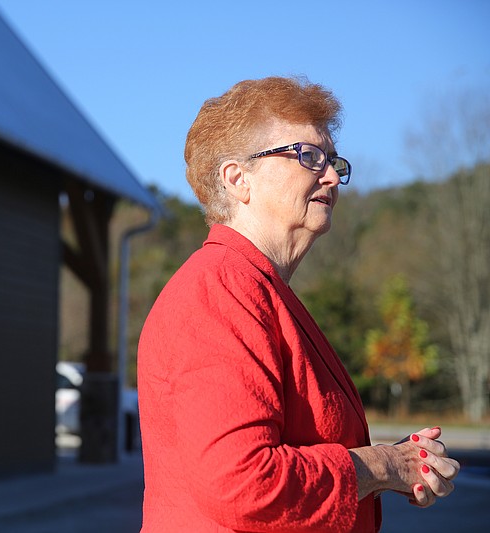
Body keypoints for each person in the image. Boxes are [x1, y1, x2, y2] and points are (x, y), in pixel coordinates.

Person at [137, 76, 460, 532]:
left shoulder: (258, 289)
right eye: (308, 156)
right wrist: (382, 465)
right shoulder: (220, 291)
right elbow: (243, 483)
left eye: (333, 161)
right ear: (237, 179)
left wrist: (397, 462)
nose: (331, 175)